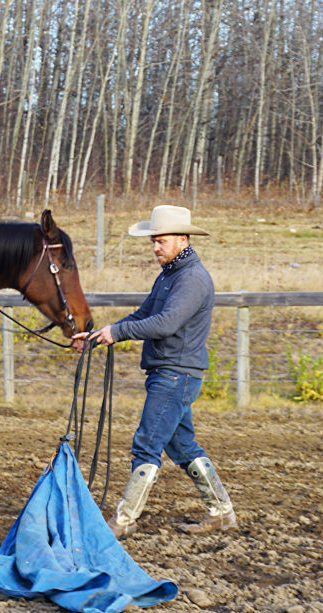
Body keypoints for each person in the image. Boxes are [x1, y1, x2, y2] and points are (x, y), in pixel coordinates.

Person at [71, 205, 236, 538]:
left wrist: (117, 333)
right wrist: (100, 335)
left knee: (147, 444)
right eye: (153, 242)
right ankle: (222, 513)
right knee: (182, 446)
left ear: (182, 239)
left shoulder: (191, 279)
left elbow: (166, 323)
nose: (156, 248)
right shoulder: (169, 276)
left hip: (175, 375)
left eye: (161, 241)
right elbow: (143, 314)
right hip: (171, 373)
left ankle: (124, 520)